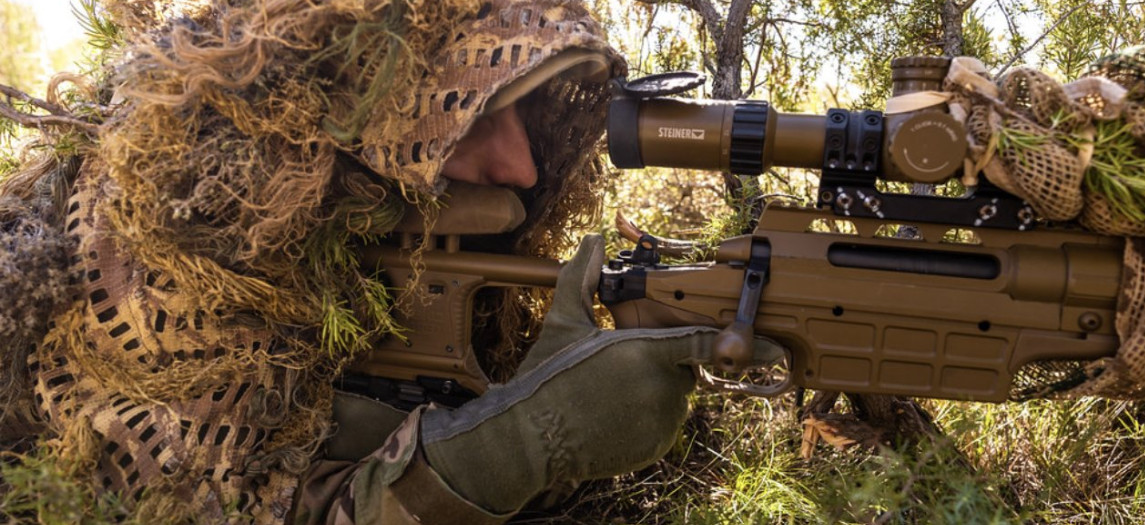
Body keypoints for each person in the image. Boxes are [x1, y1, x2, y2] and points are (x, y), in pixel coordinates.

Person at [1, 0, 781, 523]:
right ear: (364, 114)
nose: (522, 167)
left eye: (527, 116)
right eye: (475, 112)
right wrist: (522, 439)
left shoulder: (392, 235)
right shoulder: (167, 228)